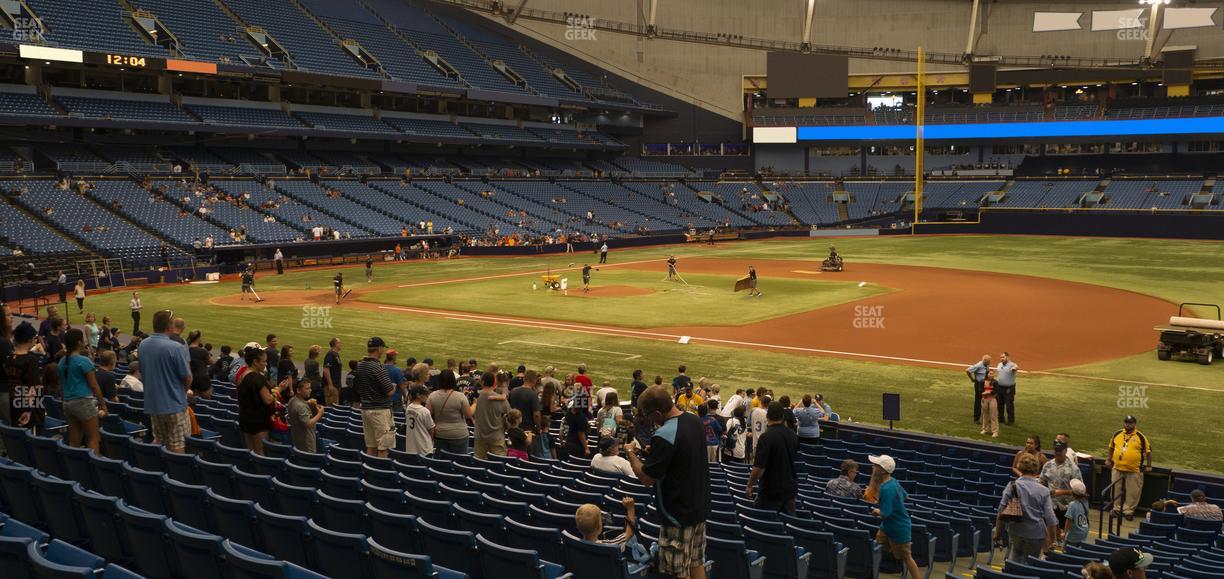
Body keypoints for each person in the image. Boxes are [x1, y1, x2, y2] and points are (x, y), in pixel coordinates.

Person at [626, 386, 710, 579]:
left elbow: (647, 478)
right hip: (699, 507)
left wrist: (630, 452)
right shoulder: (694, 419)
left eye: (649, 415)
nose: (650, 420)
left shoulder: (664, 434)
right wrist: (654, 452)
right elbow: (681, 454)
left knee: (677, 572)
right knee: (696, 563)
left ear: (657, 412)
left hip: (677, 515)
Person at [139, 310, 192, 453]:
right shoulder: (175, 347)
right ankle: (176, 475)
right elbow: (187, 377)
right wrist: (183, 391)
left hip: (154, 405)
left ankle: (157, 471)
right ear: (169, 326)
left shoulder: (143, 344)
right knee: (177, 445)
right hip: (174, 405)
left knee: (159, 440)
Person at [863, 455, 922, 578]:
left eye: (876, 466)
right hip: (887, 527)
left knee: (907, 558)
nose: (873, 467)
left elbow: (885, 514)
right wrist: (891, 502)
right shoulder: (893, 481)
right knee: (877, 547)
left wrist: (876, 510)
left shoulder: (886, 488)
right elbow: (905, 496)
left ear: (883, 470)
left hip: (899, 528)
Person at [996, 453, 1057, 563]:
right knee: (1031, 563)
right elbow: (1050, 518)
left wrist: (998, 534)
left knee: (1016, 557)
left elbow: (1000, 511)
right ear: (1036, 469)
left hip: (1016, 530)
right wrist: (1052, 540)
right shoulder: (1043, 490)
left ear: (1019, 467)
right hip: (1036, 534)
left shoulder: (1011, 485)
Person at [745, 402, 798, 514]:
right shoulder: (793, 435)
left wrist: (750, 485)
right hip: (790, 489)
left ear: (767, 416)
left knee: (765, 527)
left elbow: (759, 467)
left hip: (771, 491)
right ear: (783, 417)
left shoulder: (766, 437)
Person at [59, 329, 107, 452]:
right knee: (94, 438)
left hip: (68, 403)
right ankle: (93, 468)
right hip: (83, 402)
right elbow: (94, 385)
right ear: (80, 342)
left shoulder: (62, 361)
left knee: (74, 440)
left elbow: (61, 385)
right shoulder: (84, 361)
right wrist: (103, 405)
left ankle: (74, 468)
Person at [355, 337, 397, 457]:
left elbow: (357, 387)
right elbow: (389, 391)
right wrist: (394, 386)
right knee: (383, 448)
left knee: (371, 446)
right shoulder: (378, 367)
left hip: (366, 409)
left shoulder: (361, 365)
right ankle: (379, 473)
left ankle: (371, 473)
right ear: (379, 349)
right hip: (380, 411)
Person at [237, 346, 283, 455]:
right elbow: (267, 400)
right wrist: (278, 390)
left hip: (245, 418)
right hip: (258, 421)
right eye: (264, 361)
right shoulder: (258, 378)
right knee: (260, 452)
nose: (266, 364)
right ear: (255, 362)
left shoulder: (242, 375)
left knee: (251, 451)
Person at [1106, 415, 1152, 520]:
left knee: (1133, 492)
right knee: (1115, 490)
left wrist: (1149, 465)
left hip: (1134, 470)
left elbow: (1148, 452)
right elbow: (1111, 447)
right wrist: (1108, 459)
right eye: (1126, 422)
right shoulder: (1117, 434)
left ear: (1135, 424)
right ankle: (1116, 509)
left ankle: (1128, 511)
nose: (1128, 424)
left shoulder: (1140, 436)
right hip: (1117, 468)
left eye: (1130, 423)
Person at [1041, 434, 1083, 538]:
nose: (1057, 452)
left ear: (1065, 451)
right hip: (1050, 507)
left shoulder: (1073, 468)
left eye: (1060, 450)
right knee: (1049, 535)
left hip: (1067, 509)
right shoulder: (1048, 465)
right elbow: (1042, 482)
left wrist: (1063, 492)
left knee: (1065, 537)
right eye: (1056, 450)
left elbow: (1080, 491)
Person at [5, 322, 45, 434]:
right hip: (29, 409)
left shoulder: (10, 358)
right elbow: (33, 388)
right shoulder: (30, 360)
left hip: (15, 403)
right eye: (34, 338)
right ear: (29, 339)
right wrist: (29, 410)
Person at [428, 370, 472, 454]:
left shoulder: (432, 396)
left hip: (440, 433)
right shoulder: (460, 396)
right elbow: (468, 415)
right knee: (459, 461)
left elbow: (427, 415)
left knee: (442, 463)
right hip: (458, 434)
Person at [472, 372, 510, 458]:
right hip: (496, 438)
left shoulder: (476, 397)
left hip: (480, 436)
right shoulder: (500, 399)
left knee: (479, 464)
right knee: (498, 466)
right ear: (494, 383)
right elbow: (510, 416)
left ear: (482, 382)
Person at [287, 378, 324, 453]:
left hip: (297, 438)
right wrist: (320, 413)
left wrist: (309, 404)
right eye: (307, 388)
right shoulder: (301, 406)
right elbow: (308, 424)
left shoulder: (292, 400)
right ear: (298, 390)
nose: (310, 390)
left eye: (310, 388)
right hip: (306, 443)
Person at [403, 385, 435, 456]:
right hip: (424, 448)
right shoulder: (424, 411)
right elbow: (431, 429)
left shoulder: (408, 408)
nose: (427, 396)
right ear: (418, 395)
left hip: (411, 447)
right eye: (425, 394)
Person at [965, 354, 991, 424]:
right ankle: (976, 419)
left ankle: (986, 418)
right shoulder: (979, 365)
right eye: (989, 361)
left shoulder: (986, 365)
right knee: (978, 401)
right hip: (979, 384)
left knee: (987, 400)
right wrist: (972, 379)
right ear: (985, 361)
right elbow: (967, 370)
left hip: (985, 384)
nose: (990, 363)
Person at [1064, 479, 1089, 547]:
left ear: (1072, 493)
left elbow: (1068, 520)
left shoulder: (1072, 505)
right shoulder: (1086, 502)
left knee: (1067, 549)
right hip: (1084, 532)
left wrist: (1064, 533)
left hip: (1074, 535)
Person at [188, 330, 212, 398]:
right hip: (202, 378)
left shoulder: (185, 349)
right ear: (198, 338)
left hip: (191, 377)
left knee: (193, 399)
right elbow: (211, 362)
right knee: (207, 398)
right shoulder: (202, 351)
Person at [996, 352, 1018, 424]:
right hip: (1000, 387)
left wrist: (1014, 369)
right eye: (1001, 357)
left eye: (1003, 357)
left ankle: (1010, 420)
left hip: (1009, 388)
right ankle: (1001, 419)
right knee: (1000, 404)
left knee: (1009, 404)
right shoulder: (999, 364)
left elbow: (1016, 367)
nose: (1001, 359)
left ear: (1007, 357)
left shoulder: (1012, 365)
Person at [980, 369, 1000, 437]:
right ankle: (985, 429)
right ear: (987, 374)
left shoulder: (995, 382)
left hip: (992, 400)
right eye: (990, 373)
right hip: (984, 399)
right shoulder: (982, 381)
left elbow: (996, 391)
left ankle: (995, 431)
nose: (991, 375)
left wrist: (987, 392)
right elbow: (980, 390)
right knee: (985, 415)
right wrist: (984, 393)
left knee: (993, 416)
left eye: (992, 374)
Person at [323, 338, 342, 405]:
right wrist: (330, 384)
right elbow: (326, 369)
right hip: (332, 385)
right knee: (332, 406)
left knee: (335, 405)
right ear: (336, 344)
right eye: (340, 343)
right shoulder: (331, 354)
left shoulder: (335, 354)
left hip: (335, 385)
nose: (341, 344)